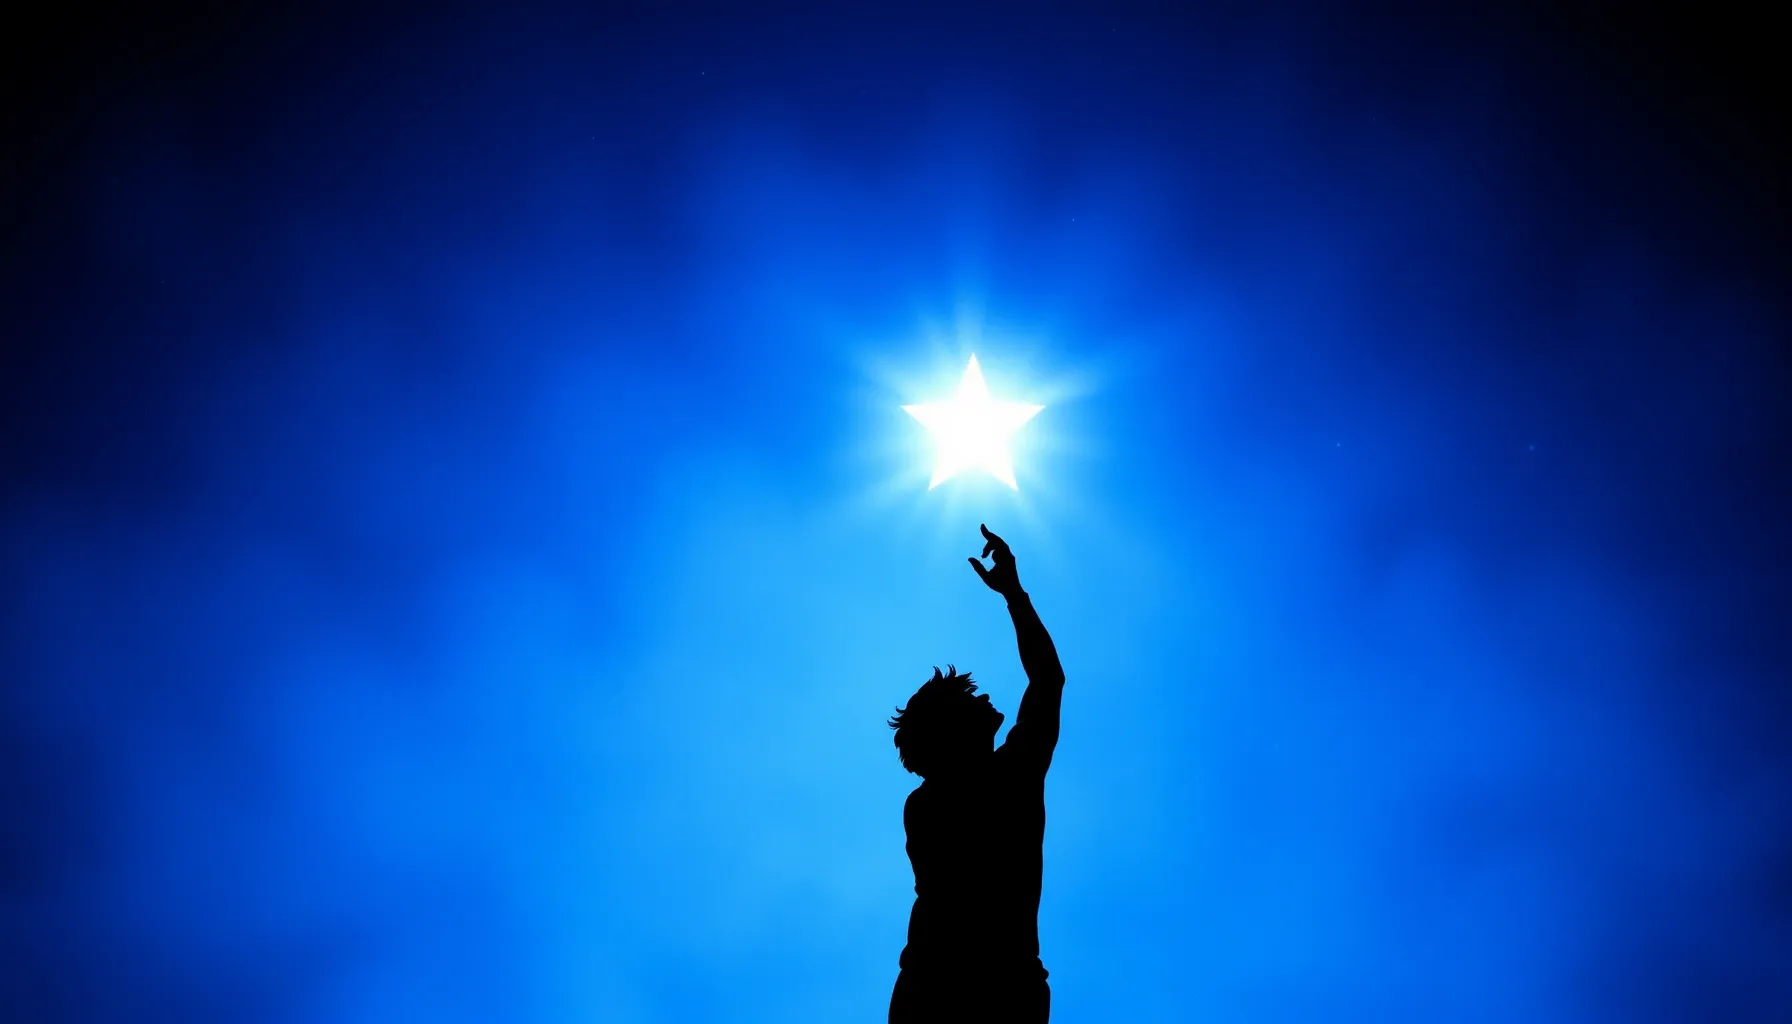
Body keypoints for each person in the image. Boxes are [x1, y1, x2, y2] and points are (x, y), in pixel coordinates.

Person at [887, 524, 1066, 1023]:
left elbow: (1047, 682)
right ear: (952, 732)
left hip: (955, 987)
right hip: (979, 990)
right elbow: (1047, 679)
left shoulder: (929, 803)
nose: (985, 697)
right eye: (969, 700)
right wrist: (1013, 594)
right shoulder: (1001, 779)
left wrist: (1013, 593)